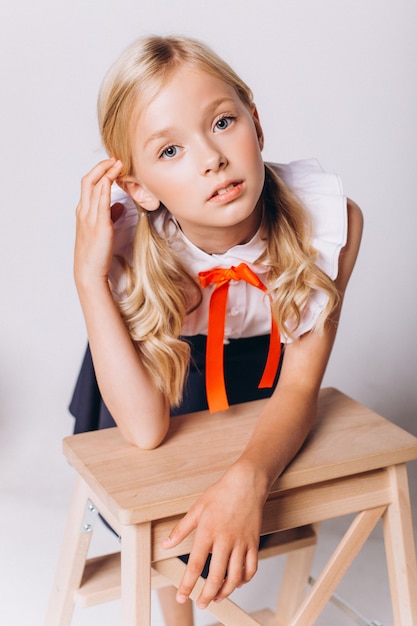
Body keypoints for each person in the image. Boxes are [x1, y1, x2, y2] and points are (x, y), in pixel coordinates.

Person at [71, 34, 363, 626]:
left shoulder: (328, 223)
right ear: (140, 188)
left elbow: (299, 389)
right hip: (161, 363)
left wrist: (247, 482)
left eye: (223, 122)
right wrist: (88, 278)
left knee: (256, 491)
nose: (211, 157)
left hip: (260, 372)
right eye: (171, 151)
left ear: (256, 124)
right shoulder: (132, 248)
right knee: (165, 494)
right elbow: (148, 430)